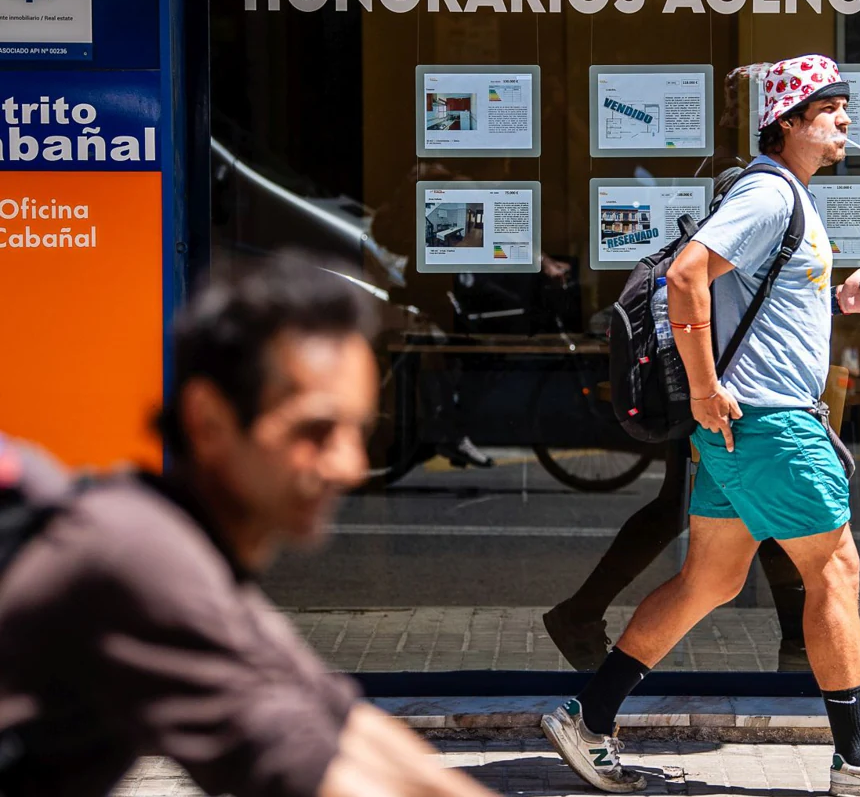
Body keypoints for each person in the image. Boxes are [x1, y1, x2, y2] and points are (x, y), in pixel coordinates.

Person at [539, 55, 860, 797]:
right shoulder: (768, 193)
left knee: (710, 580)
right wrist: (702, 390)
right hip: (769, 424)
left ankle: (588, 720)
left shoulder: (784, 197)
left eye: (842, 109)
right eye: (828, 110)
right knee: (836, 570)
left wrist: (843, 298)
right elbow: (686, 275)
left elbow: (758, 302)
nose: (843, 122)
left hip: (747, 426)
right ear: (789, 121)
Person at [0, 254, 497, 797]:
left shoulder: (190, 554)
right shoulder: (136, 559)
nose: (349, 466)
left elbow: (345, 729)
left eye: (359, 431)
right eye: (315, 431)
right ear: (209, 420)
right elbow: (325, 775)